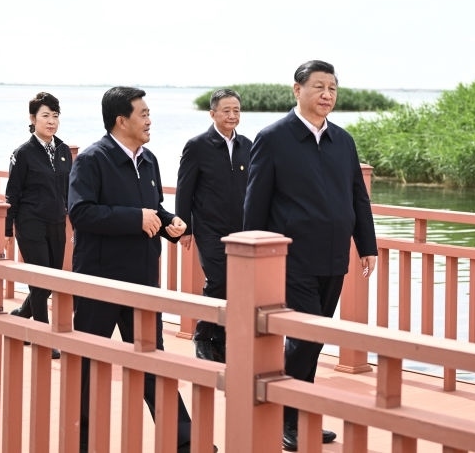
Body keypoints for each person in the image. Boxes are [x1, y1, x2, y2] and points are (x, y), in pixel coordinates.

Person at [243, 60, 378, 452]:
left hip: (334, 256)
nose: (326, 95)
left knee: (314, 338)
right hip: (291, 258)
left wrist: (367, 245)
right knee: (307, 335)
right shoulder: (273, 138)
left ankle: (299, 413)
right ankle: (285, 415)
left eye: (332, 88)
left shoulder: (343, 140)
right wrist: (253, 253)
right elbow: (256, 201)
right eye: (319, 86)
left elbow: (358, 196)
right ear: (297, 90)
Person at [68, 86, 212, 453]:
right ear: (122, 120)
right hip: (100, 282)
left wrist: (169, 223)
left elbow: (153, 209)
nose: (149, 120)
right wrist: (136, 219)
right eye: (143, 114)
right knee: (88, 364)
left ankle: (185, 441)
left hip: (143, 280)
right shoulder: (92, 160)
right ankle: (83, 443)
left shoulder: (149, 160)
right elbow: (80, 213)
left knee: (153, 361)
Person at [175, 88, 251, 362]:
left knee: (238, 284)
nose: (232, 116)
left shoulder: (247, 145)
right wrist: (185, 228)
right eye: (226, 110)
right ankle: (203, 335)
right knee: (218, 281)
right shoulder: (197, 146)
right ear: (212, 113)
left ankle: (221, 339)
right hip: (209, 228)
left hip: (241, 231)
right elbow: (185, 189)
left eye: (236, 111)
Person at [4, 92, 71, 360]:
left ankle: (22, 314)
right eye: (45, 115)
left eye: (55, 116)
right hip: (30, 224)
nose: (51, 121)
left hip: (57, 223)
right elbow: (12, 193)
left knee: (51, 280)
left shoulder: (63, 151)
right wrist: (7, 230)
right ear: (33, 119)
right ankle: (44, 337)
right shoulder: (22, 153)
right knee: (40, 280)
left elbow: (69, 190)